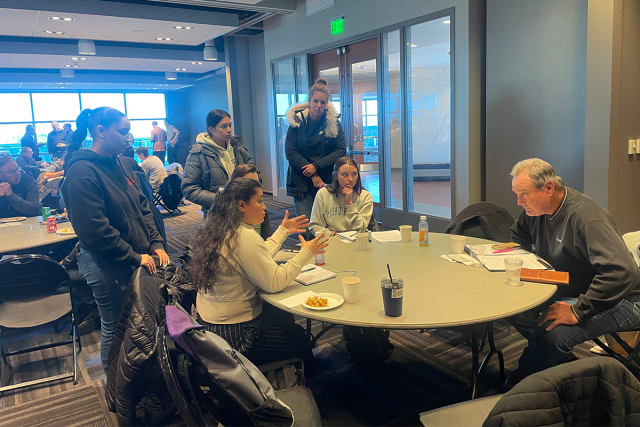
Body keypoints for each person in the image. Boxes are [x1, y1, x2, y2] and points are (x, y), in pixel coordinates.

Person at [504, 158, 640, 390]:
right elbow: (518, 236)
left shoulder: (586, 219)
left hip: (623, 299)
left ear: (548, 188)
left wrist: (578, 311)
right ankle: (559, 364)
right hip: (577, 289)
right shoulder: (534, 211)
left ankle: (520, 383)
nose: (519, 202)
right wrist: (529, 270)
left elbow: (621, 272)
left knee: (551, 333)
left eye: (524, 194)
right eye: (517, 194)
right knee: (511, 306)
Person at [61, 107, 168, 373]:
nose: (128, 136)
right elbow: (94, 230)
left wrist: (155, 243)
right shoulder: (82, 171)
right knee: (116, 324)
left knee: (139, 320)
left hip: (136, 255)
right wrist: (134, 256)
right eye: (122, 131)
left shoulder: (122, 163)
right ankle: (116, 387)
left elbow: (144, 207)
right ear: (100, 131)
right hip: (104, 262)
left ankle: (137, 378)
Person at [190, 177, 329, 366]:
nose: (264, 207)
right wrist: (306, 253)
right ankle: (309, 383)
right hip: (235, 335)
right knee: (298, 339)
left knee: (282, 316)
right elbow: (274, 282)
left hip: (211, 324)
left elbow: (255, 256)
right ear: (241, 205)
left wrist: (282, 231)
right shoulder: (243, 236)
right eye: (260, 201)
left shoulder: (219, 229)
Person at [285, 78, 346, 238]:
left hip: (326, 179)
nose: (319, 106)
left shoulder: (333, 123)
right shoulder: (296, 122)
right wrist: (312, 172)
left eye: (323, 102)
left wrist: (316, 166)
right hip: (301, 179)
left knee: (329, 224)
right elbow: (290, 152)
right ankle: (309, 260)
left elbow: (341, 151)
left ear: (327, 103)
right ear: (309, 101)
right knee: (306, 228)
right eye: (315, 101)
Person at [182, 109, 256, 218]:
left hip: (245, 210)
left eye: (230, 125)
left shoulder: (238, 149)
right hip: (217, 215)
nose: (229, 130)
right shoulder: (198, 154)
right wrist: (221, 199)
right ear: (211, 129)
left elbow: (255, 173)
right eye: (224, 126)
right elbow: (189, 189)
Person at [309, 157, 373, 237]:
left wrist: (350, 203)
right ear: (335, 175)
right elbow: (315, 225)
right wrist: (332, 235)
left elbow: (360, 229)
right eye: (345, 175)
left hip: (356, 240)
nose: (350, 179)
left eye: (354, 174)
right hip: (331, 239)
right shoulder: (323, 194)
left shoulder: (365, 196)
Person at [230, 164, 272, 239]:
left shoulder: (261, 208)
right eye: (250, 183)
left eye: (256, 182)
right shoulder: (225, 214)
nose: (254, 186)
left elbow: (267, 239)